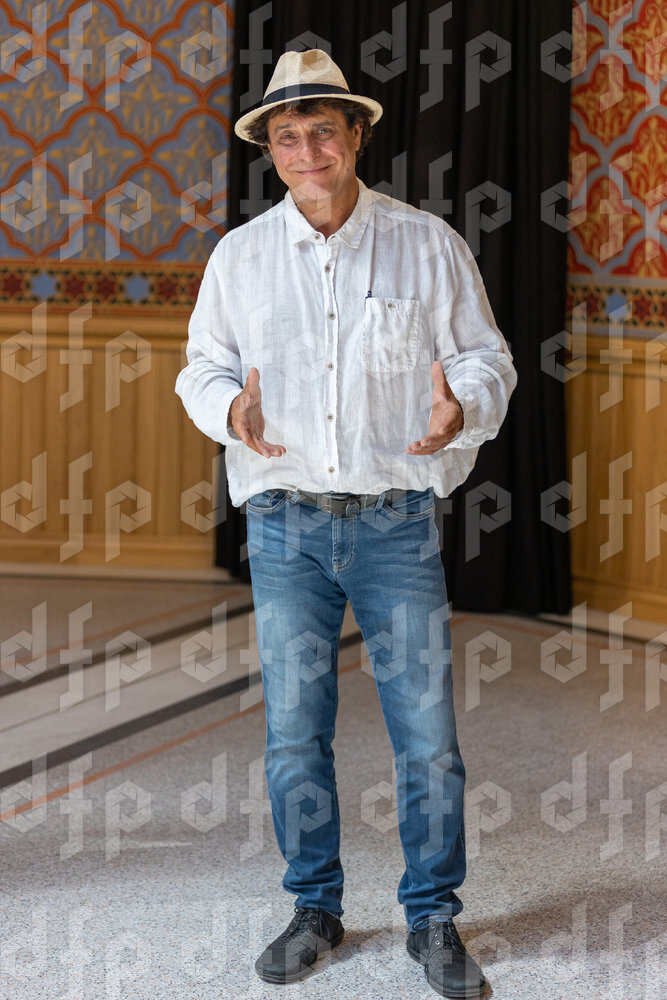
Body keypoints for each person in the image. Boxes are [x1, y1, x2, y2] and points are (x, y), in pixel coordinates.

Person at [176, 47, 517, 999]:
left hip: (393, 522)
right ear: (270, 151)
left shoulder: (425, 243)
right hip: (284, 525)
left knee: (427, 738)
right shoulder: (240, 258)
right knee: (295, 735)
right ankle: (314, 908)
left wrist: (462, 406)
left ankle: (433, 916)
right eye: (287, 138)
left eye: (322, 132)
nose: (307, 153)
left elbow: (485, 358)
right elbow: (201, 367)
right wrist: (226, 409)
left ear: (356, 135)